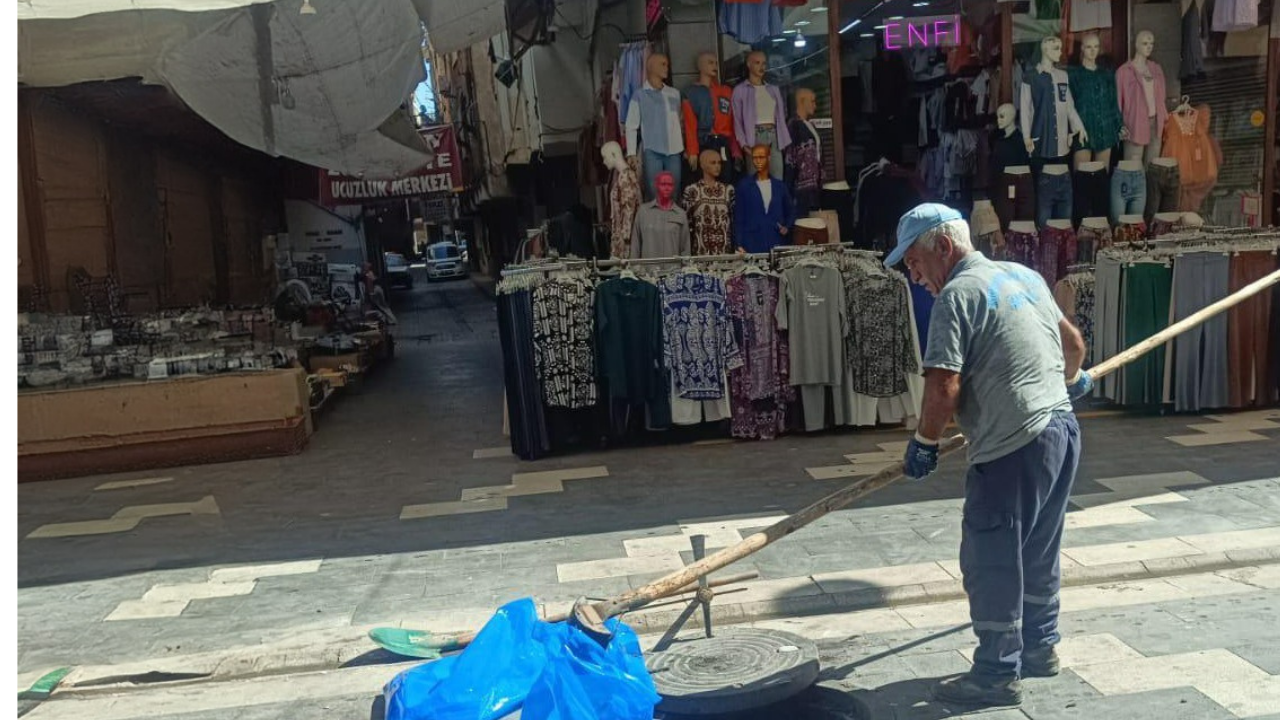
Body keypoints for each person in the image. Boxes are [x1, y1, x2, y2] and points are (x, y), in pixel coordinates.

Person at [884, 203, 1093, 708]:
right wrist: (1071, 380)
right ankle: (1040, 649)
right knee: (1038, 547)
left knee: (991, 557)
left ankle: (997, 672)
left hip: (1013, 445)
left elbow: (944, 386)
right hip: (1061, 432)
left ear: (944, 247)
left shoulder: (957, 296)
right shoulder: (1022, 274)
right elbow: (1073, 345)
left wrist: (924, 444)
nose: (914, 277)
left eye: (914, 262)